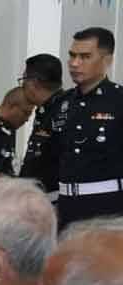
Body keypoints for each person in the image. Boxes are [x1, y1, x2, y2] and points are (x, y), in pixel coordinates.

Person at [54, 28, 123, 226]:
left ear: (107, 60)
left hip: (108, 210)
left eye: (85, 57)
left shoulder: (119, 101)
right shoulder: (63, 102)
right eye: (72, 56)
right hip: (66, 208)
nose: (75, 64)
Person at [19, 53, 67, 202]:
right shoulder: (45, 111)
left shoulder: (65, 111)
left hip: (55, 203)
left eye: (23, 80)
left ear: (34, 82)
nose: (22, 85)